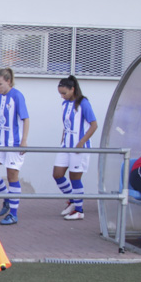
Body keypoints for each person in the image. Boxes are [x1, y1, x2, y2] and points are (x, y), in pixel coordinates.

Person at [0, 68, 29, 226]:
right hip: (0, 142)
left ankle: (13, 215)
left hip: (14, 143)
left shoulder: (17, 96)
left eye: (0, 84)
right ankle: (7, 197)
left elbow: (25, 118)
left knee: (12, 176)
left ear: (8, 81)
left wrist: (24, 140)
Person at [53, 75, 98, 221]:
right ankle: (73, 200)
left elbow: (94, 125)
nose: (62, 96)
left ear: (73, 89)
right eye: (60, 93)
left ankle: (79, 210)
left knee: (75, 178)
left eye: (64, 93)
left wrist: (81, 142)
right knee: (57, 174)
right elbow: (66, 125)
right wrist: (62, 138)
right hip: (65, 145)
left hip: (79, 147)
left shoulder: (83, 103)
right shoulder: (64, 104)